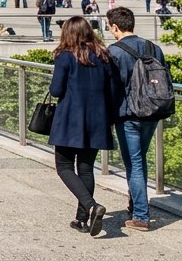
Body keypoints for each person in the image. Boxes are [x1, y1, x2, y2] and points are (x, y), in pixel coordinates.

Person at [48, 15, 117, 237]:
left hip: (70, 118)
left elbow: (57, 90)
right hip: (98, 118)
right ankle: (81, 219)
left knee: (64, 167)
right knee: (86, 168)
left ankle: (91, 206)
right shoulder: (104, 56)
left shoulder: (65, 57)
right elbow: (112, 91)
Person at [106, 7, 173, 231]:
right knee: (140, 160)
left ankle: (141, 216)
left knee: (134, 164)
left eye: (109, 26)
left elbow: (112, 88)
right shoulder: (153, 48)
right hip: (153, 112)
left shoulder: (114, 51)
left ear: (115, 27)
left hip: (128, 115)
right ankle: (136, 204)